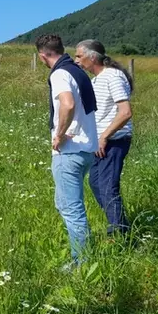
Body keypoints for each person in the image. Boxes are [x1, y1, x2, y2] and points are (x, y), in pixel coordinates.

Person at [36, 34, 98, 266]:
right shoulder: (78, 71)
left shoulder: (61, 73)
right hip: (86, 148)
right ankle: (81, 254)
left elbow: (68, 103)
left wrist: (59, 135)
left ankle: (81, 262)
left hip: (70, 150)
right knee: (63, 203)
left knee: (72, 209)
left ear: (42, 55)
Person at [75, 39, 133, 236]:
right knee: (96, 184)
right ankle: (121, 226)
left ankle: (119, 237)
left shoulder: (113, 76)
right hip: (101, 142)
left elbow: (125, 112)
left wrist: (105, 137)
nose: (77, 60)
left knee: (108, 187)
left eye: (79, 56)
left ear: (92, 57)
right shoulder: (96, 80)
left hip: (114, 141)